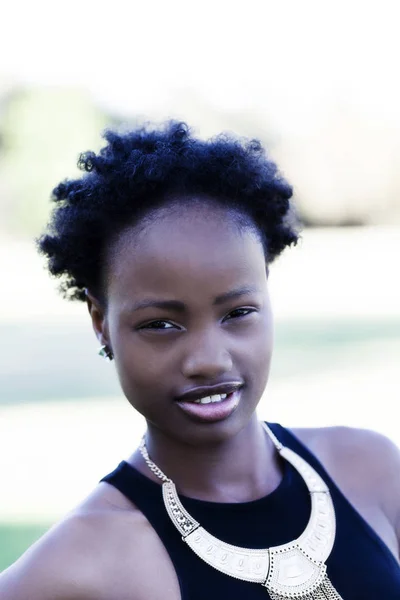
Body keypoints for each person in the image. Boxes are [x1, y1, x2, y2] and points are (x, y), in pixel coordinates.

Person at [1, 121, 399, 599]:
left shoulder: (371, 470)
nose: (209, 360)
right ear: (100, 321)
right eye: (161, 325)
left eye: (238, 313)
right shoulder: (81, 563)